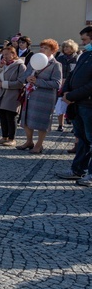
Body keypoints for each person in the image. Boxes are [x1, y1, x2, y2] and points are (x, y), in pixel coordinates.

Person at [58, 26, 92, 185]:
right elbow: (72, 74)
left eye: (85, 40)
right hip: (77, 104)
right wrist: (65, 92)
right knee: (83, 140)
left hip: (88, 104)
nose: (83, 43)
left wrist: (71, 96)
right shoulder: (85, 55)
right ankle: (78, 169)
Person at [17, 39, 62, 154]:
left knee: (42, 122)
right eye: (42, 47)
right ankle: (29, 141)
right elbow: (24, 76)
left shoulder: (56, 65)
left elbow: (57, 83)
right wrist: (27, 79)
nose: (42, 49)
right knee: (27, 119)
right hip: (30, 95)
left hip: (45, 98)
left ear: (52, 51)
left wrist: (38, 81)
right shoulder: (34, 61)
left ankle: (39, 144)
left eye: (46, 48)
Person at [0, 46, 27, 147]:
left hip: (12, 95)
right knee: (2, 115)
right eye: (3, 54)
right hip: (0, 94)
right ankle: (4, 137)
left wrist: (5, 84)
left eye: (7, 54)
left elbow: (21, 82)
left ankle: (12, 138)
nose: (4, 56)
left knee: (10, 116)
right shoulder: (3, 65)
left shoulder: (20, 66)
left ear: (13, 54)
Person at [56, 39, 80, 132]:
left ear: (73, 48)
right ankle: (60, 125)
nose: (65, 48)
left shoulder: (77, 58)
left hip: (73, 84)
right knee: (60, 104)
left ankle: (74, 126)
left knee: (73, 105)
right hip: (61, 84)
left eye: (68, 47)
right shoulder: (60, 58)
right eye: (64, 47)